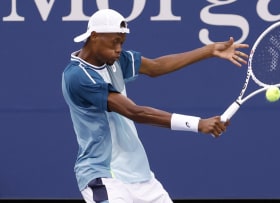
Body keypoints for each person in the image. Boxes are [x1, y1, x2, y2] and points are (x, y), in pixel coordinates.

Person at [62, 8, 249, 203]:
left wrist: (209, 50)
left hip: (140, 176)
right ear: (94, 36)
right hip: (103, 175)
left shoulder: (114, 60)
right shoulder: (77, 76)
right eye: (114, 41)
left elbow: (156, 67)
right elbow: (134, 112)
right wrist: (197, 124)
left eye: (122, 43)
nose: (119, 48)